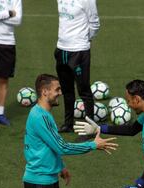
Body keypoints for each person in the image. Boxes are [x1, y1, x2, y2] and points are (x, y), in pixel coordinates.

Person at [23, 74, 118, 188]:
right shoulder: (40, 117)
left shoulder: (43, 114)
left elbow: (48, 146)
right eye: (57, 89)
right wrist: (93, 145)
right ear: (45, 92)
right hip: (39, 182)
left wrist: (60, 167)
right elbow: (62, 147)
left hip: (47, 179)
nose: (60, 92)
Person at [55, 0, 100, 134]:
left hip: (79, 50)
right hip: (61, 48)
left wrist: (84, 40)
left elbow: (95, 23)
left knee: (84, 90)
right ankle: (68, 124)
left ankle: (90, 129)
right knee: (66, 90)